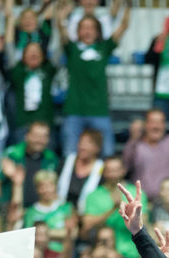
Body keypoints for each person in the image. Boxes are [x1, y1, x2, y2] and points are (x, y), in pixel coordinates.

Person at [56, 0, 130, 156]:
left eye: (91, 28)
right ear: (78, 31)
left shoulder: (104, 47)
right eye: (83, 28)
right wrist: (61, 16)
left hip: (99, 110)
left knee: (107, 153)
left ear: (98, 32)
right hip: (74, 110)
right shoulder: (72, 49)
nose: (87, 31)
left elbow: (123, 27)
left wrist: (128, 6)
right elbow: (61, 29)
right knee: (70, 154)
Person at [122, 108, 169, 201]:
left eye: (160, 122)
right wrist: (133, 138)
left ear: (164, 125)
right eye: (152, 122)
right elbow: (125, 166)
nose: (156, 126)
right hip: (144, 203)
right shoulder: (136, 146)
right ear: (145, 125)